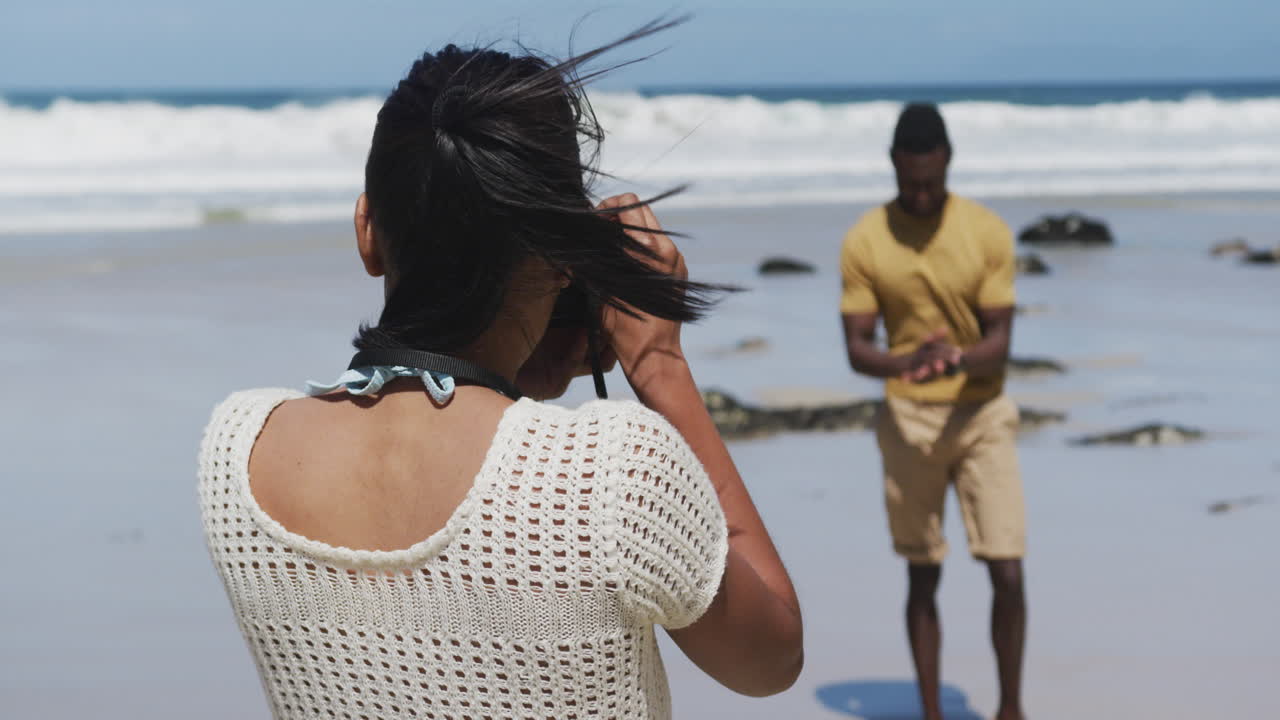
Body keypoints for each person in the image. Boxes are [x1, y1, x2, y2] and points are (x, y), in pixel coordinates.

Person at [198, 21, 802, 720]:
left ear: (367, 232)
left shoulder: (238, 450)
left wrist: (521, 373)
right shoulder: (612, 470)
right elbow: (772, 657)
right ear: (561, 257)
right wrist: (658, 365)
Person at [839, 103, 1026, 720]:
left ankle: (1010, 709)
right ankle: (931, 712)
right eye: (910, 183)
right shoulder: (867, 239)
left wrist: (959, 361)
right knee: (923, 577)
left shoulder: (986, 231)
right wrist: (906, 363)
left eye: (931, 183)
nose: (921, 195)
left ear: (948, 163)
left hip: (982, 414)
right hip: (909, 421)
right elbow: (859, 350)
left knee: (1007, 571)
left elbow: (1001, 340)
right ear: (895, 165)